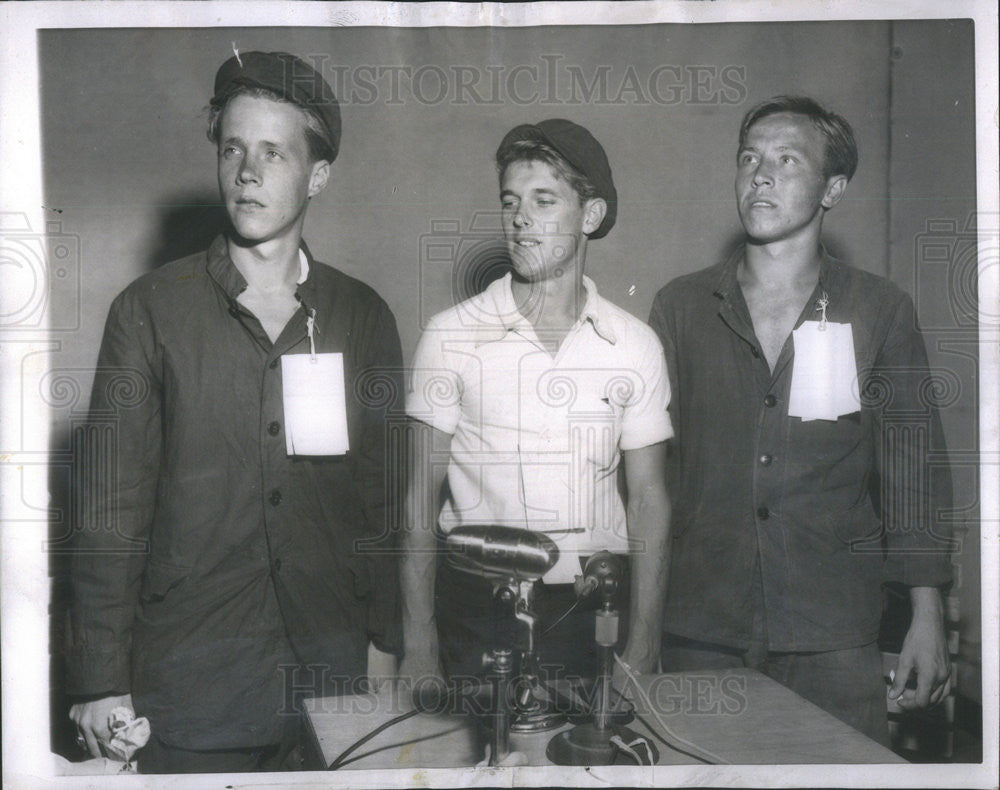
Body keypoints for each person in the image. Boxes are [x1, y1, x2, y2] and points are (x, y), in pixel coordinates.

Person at [66, 51, 402, 773]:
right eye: (233, 149)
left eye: (273, 153)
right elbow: (108, 508)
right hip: (192, 686)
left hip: (327, 683)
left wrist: (384, 646)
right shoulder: (148, 312)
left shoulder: (362, 316)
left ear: (318, 176)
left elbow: (380, 504)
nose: (247, 171)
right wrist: (100, 678)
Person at [648, 95, 953, 745]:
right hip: (700, 629)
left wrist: (926, 614)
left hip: (833, 638)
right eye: (749, 158)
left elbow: (913, 470)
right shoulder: (679, 308)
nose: (761, 174)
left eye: (787, 160)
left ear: (833, 188)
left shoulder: (879, 309)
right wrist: (641, 630)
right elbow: (652, 478)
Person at [400, 119, 672, 689]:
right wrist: (420, 645)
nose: (520, 218)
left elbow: (648, 499)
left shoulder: (634, 345)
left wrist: (644, 643)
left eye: (544, 201)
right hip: (476, 614)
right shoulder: (451, 335)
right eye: (511, 201)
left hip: (591, 612)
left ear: (590, 217)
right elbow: (418, 500)